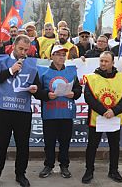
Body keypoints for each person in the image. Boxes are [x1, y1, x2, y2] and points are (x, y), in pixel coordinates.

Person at [0, 35, 45, 187]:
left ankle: (20, 174)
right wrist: (10, 71)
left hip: (23, 112)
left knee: (23, 145)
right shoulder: (2, 60)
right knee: (0, 144)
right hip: (4, 110)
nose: (23, 52)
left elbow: (38, 90)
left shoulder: (32, 65)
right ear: (13, 47)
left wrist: (35, 89)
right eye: (21, 49)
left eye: (26, 50)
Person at [82, 51, 122, 184]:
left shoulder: (121, 77)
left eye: (106, 61)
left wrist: (114, 111)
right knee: (92, 146)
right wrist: (104, 111)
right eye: (101, 61)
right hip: (97, 118)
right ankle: (89, 171)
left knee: (114, 146)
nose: (103, 63)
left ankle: (114, 170)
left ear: (112, 63)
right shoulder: (92, 78)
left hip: (114, 118)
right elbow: (89, 97)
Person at [38, 45, 82, 179]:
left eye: (63, 54)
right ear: (52, 56)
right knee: (49, 142)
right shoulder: (43, 73)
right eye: (58, 54)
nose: (61, 57)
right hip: (50, 113)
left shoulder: (71, 72)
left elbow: (78, 91)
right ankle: (49, 165)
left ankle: (64, 165)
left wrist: (73, 94)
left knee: (65, 142)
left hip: (66, 113)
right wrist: (47, 94)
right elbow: (38, 92)